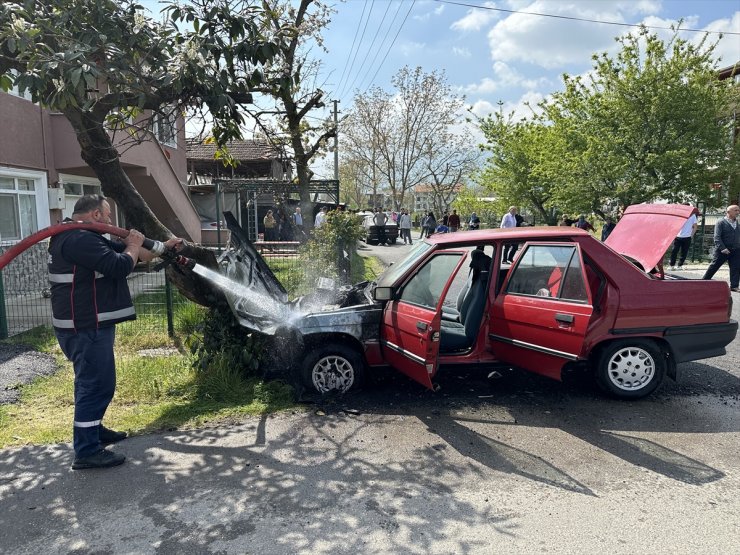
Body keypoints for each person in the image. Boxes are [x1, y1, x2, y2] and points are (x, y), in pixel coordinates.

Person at [49, 194, 183, 469]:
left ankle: (94, 431)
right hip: (85, 326)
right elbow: (119, 265)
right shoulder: (79, 239)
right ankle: (86, 451)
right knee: (97, 385)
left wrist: (164, 247)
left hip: (85, 325)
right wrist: (133, 245)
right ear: (96, 215)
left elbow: (131, 255)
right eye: (108, 215)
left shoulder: (85, 236)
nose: (110, 221)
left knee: (90, 383)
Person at [702, 204, 740, 292]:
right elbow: (717, 237)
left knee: (736, 267)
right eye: (736, 210)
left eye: (738, 210)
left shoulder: (737, 222)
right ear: (728, 212)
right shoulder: (721, 222)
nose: (738, 212)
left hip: (735, 249)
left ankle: (734, 286)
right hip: (722, 250)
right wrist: (723, 248)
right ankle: (704, 281)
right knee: (714, 266)